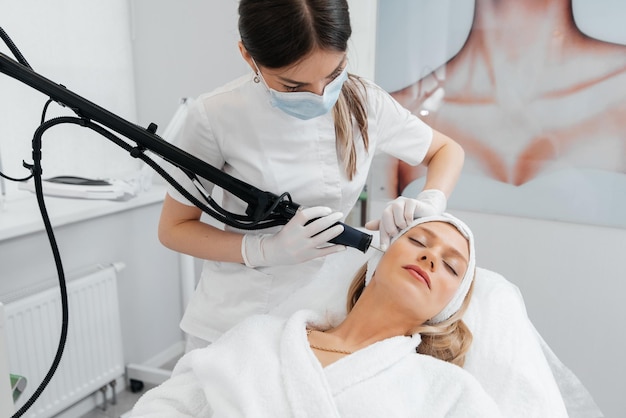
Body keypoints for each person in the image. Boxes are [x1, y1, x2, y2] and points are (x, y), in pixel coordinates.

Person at [159, 0, 465, 350]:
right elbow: (174, 229)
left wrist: (430, 201)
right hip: (236, 316)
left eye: (335, 74)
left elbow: (446, 151)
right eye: (293, 86)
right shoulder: (215, 116)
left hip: (325, 311)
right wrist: (264, 251)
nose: (321, 95)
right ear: (248, 56)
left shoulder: (365, 101)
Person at [130, 214, 504, 417]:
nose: (430, 257)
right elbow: (169, 405)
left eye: (452, 267)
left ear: (448, 308)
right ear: (377, 258)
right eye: (418, 242)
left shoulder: (445, 389)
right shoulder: (262, 335)